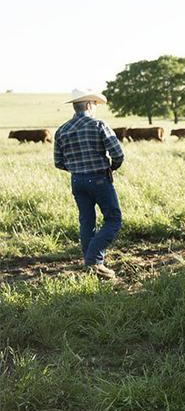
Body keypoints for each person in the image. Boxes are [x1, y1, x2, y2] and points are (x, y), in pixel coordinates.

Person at [53, 89, 124, 279]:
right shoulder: (98, 125)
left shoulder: (62, 130)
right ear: (89, 105)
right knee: (113, 219)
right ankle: (93, 260)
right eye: (95, 105)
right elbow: (117, 154)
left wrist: (78, 169)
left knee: (86, 221)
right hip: (100, 178)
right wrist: (113, 167)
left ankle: (91, 265)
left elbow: (58, 162)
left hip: (77, 180)